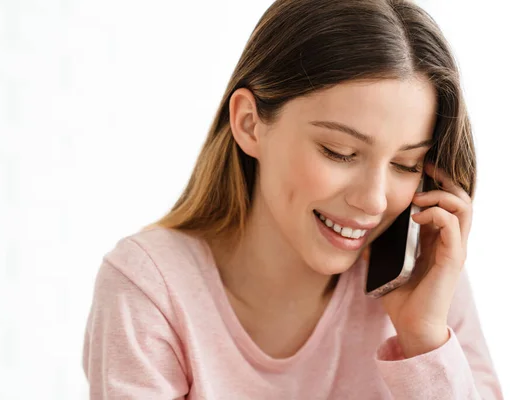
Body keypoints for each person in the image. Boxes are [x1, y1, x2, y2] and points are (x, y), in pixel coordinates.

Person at [82, 0, 504, 398]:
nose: (374, 201)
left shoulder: (425, 280)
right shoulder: (151, 287)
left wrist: (424, 340)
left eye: (406, 164)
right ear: (250, 124)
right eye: (340, 152)